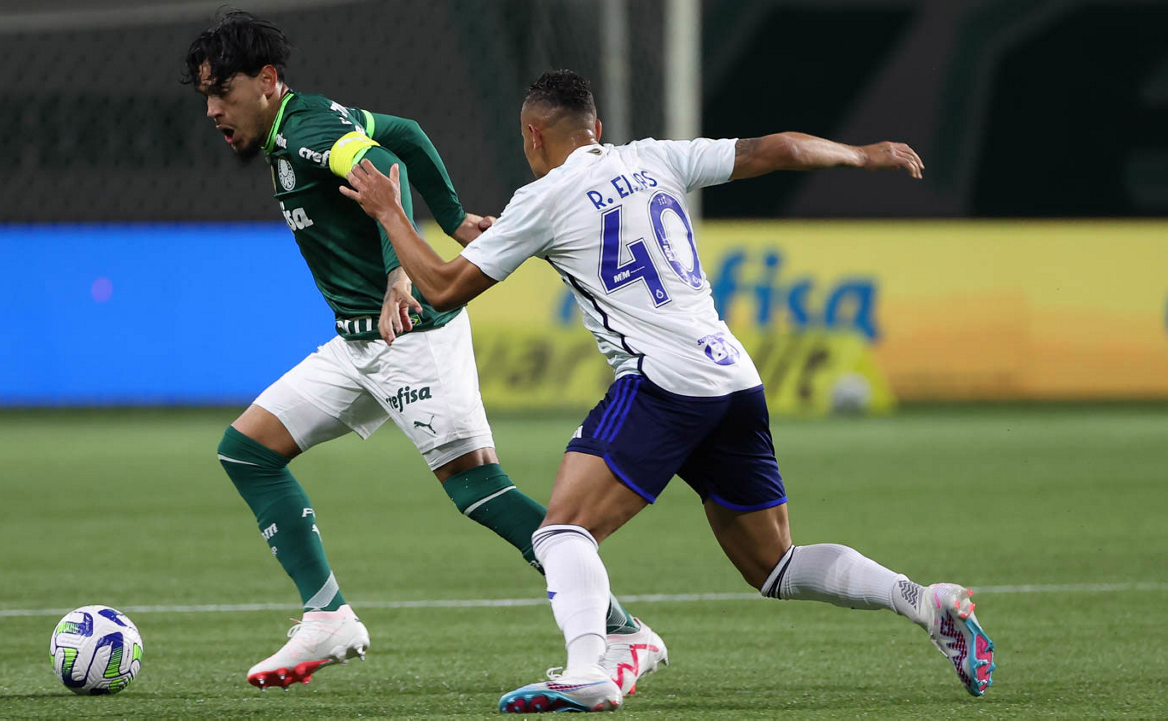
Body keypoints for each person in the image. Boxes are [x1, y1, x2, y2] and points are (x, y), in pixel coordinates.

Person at [339, 69, 997, 713]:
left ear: (532, 136)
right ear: (598, 128)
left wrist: (391, 212)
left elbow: (442, 287)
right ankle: (924, 601)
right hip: (732, 376)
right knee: (774, 563)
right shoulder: (655, 157)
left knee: (561, 531)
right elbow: (779, 149)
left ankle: (587, 670)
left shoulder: (543, 198)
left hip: (662, 381)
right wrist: (863, 154)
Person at [180, 16, 663, 692]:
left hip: (413, 338)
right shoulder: (303, 123)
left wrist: (400, 273)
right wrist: (455, 215)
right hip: (359, 342)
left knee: (480, 491)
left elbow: (385, 167)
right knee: (247, 452)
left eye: (222, 92)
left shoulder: (307, 130)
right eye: (205, 95)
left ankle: (622, 630)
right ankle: (327, 616)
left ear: (265, 81)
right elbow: (403, 131)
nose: (212, 110)